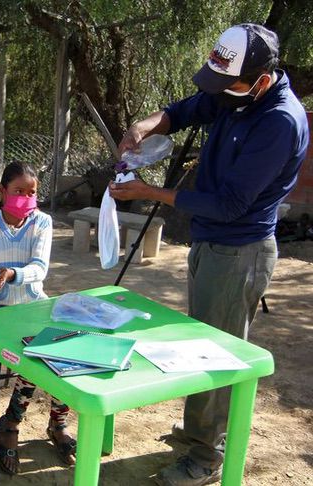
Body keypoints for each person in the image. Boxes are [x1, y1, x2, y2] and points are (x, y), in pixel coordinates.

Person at [109, 24, 309, 486]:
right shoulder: (235, 93)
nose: (221, 94)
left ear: (261, 77)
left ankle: (206, 457)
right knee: (201, 343)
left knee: (217, 353)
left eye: (229, 84)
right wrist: (145, 125)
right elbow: (187, 109)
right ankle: (198, 434)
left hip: (240, 249)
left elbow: (230, 203)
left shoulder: (278, 121)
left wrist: (148, 192)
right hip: (211, 241)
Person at [0, 161, 75, 475]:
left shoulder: (42, 222)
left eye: (32, 193)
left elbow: (39, 269)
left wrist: (13, 274)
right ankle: (10, 425)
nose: (26, 199)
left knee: (63, 350)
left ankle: (56, 422)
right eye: (19, 191)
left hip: (33, 306)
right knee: (34, 354)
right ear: (2, 191)